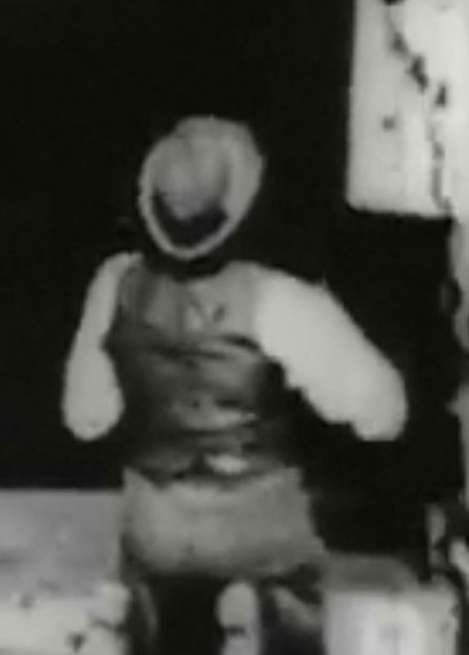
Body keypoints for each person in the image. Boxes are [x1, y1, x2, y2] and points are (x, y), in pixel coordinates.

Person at [63, 116, 408, 655]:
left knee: (143, 571)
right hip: (256, 524)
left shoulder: (115, 284)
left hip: (159, 525)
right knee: (306, 606)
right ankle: (266, 609)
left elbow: (85, 417)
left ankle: (132, 610)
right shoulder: (282, 299)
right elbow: (384, 412)